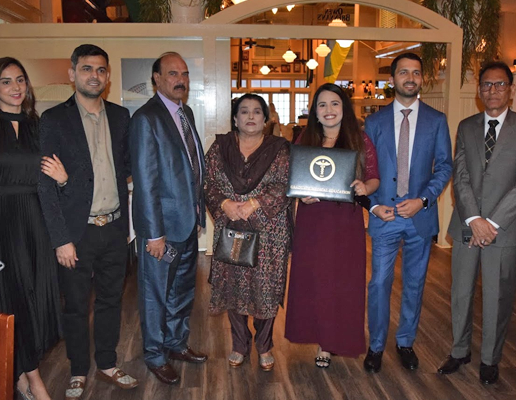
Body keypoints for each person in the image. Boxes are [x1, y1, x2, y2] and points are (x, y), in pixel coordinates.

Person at [38, 44, 138, 400]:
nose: (93, 75)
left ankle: (108, 364)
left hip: (113, 227)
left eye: (99, 69)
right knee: (76, 306)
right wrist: (60, 239)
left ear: (107, 76)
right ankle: (78, 370)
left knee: (112, 301)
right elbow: (45, 186)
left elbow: (125, 167)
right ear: (72, 74)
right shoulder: (53, 120)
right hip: (75, 233)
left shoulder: (121, 116)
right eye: (86, 69)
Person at [0, 57, 62, 400]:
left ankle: (20, 374)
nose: (16, 87)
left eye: (20, 80)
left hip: (35, 223)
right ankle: (33, 381)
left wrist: (63, 181)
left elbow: (55, 177)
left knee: (36, 302)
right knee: (12, 302)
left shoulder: (39, 126)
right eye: (6, 81)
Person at [439, 61, 516, 384]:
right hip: (467, 224)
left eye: (499, 85)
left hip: (505, 229)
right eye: (486, 85)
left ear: (510, 89)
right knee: (460, 292)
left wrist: (491, 223)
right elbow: (461, 176)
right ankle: (459, 351)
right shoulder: (466, 127)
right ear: (479, 90)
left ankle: (490, 359)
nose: (492, 90)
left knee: (498, 295)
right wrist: (474, 219)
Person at [363, 53, 453, 373]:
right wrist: (373, 205)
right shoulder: (373, 123)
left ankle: (405, 342)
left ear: (422, 80)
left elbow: (444, 167)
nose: (410, 77)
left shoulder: (436, 120)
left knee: (415, 283)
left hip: (420, 217)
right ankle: (375, 346)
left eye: (416, 72)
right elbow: (365, 170)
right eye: (404, 72)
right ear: (393, 79)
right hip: (384, 216)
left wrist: (424, 200)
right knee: (379, 284)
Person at [285, 83, 380, 368]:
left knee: (342, 282)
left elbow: (375, 177)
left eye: (334, 104)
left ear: (344, 108)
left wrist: (365, 186)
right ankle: (322, 341)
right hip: (312, 222)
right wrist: (301, 193)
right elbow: (293, 178)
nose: (329, 110)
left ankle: (334, 340)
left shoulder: (360, 140)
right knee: (315, 281)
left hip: (345, 224)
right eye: (322, 105)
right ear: (314, 111)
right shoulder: (305, 139)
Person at [129, 52, 207, 385]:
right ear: (156, 80)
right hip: (161, 229)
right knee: (155, 294)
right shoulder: (146, 119)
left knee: (182, 291)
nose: (181, 79)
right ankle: (156, 355)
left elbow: (193, 169)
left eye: (185, 74)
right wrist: (154, 234)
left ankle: (176, 344)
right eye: (173, 73)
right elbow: (146, 181)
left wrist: (199, 213)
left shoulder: (184, 113)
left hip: (187, 224)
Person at [205, 94, 291, 371]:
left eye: (257, 112)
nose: (251, 116)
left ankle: (265, 345)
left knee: (265, 288)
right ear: (235, 118)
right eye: (244, 111)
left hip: (269, 231)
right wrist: (225, 203)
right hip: (231, 226)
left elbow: (285, 184)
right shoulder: (220, 148)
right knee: (235, 285)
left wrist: (255, 203)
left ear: (266, 120)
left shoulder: (280, 149)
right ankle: (239, 344)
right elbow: (207, 182)